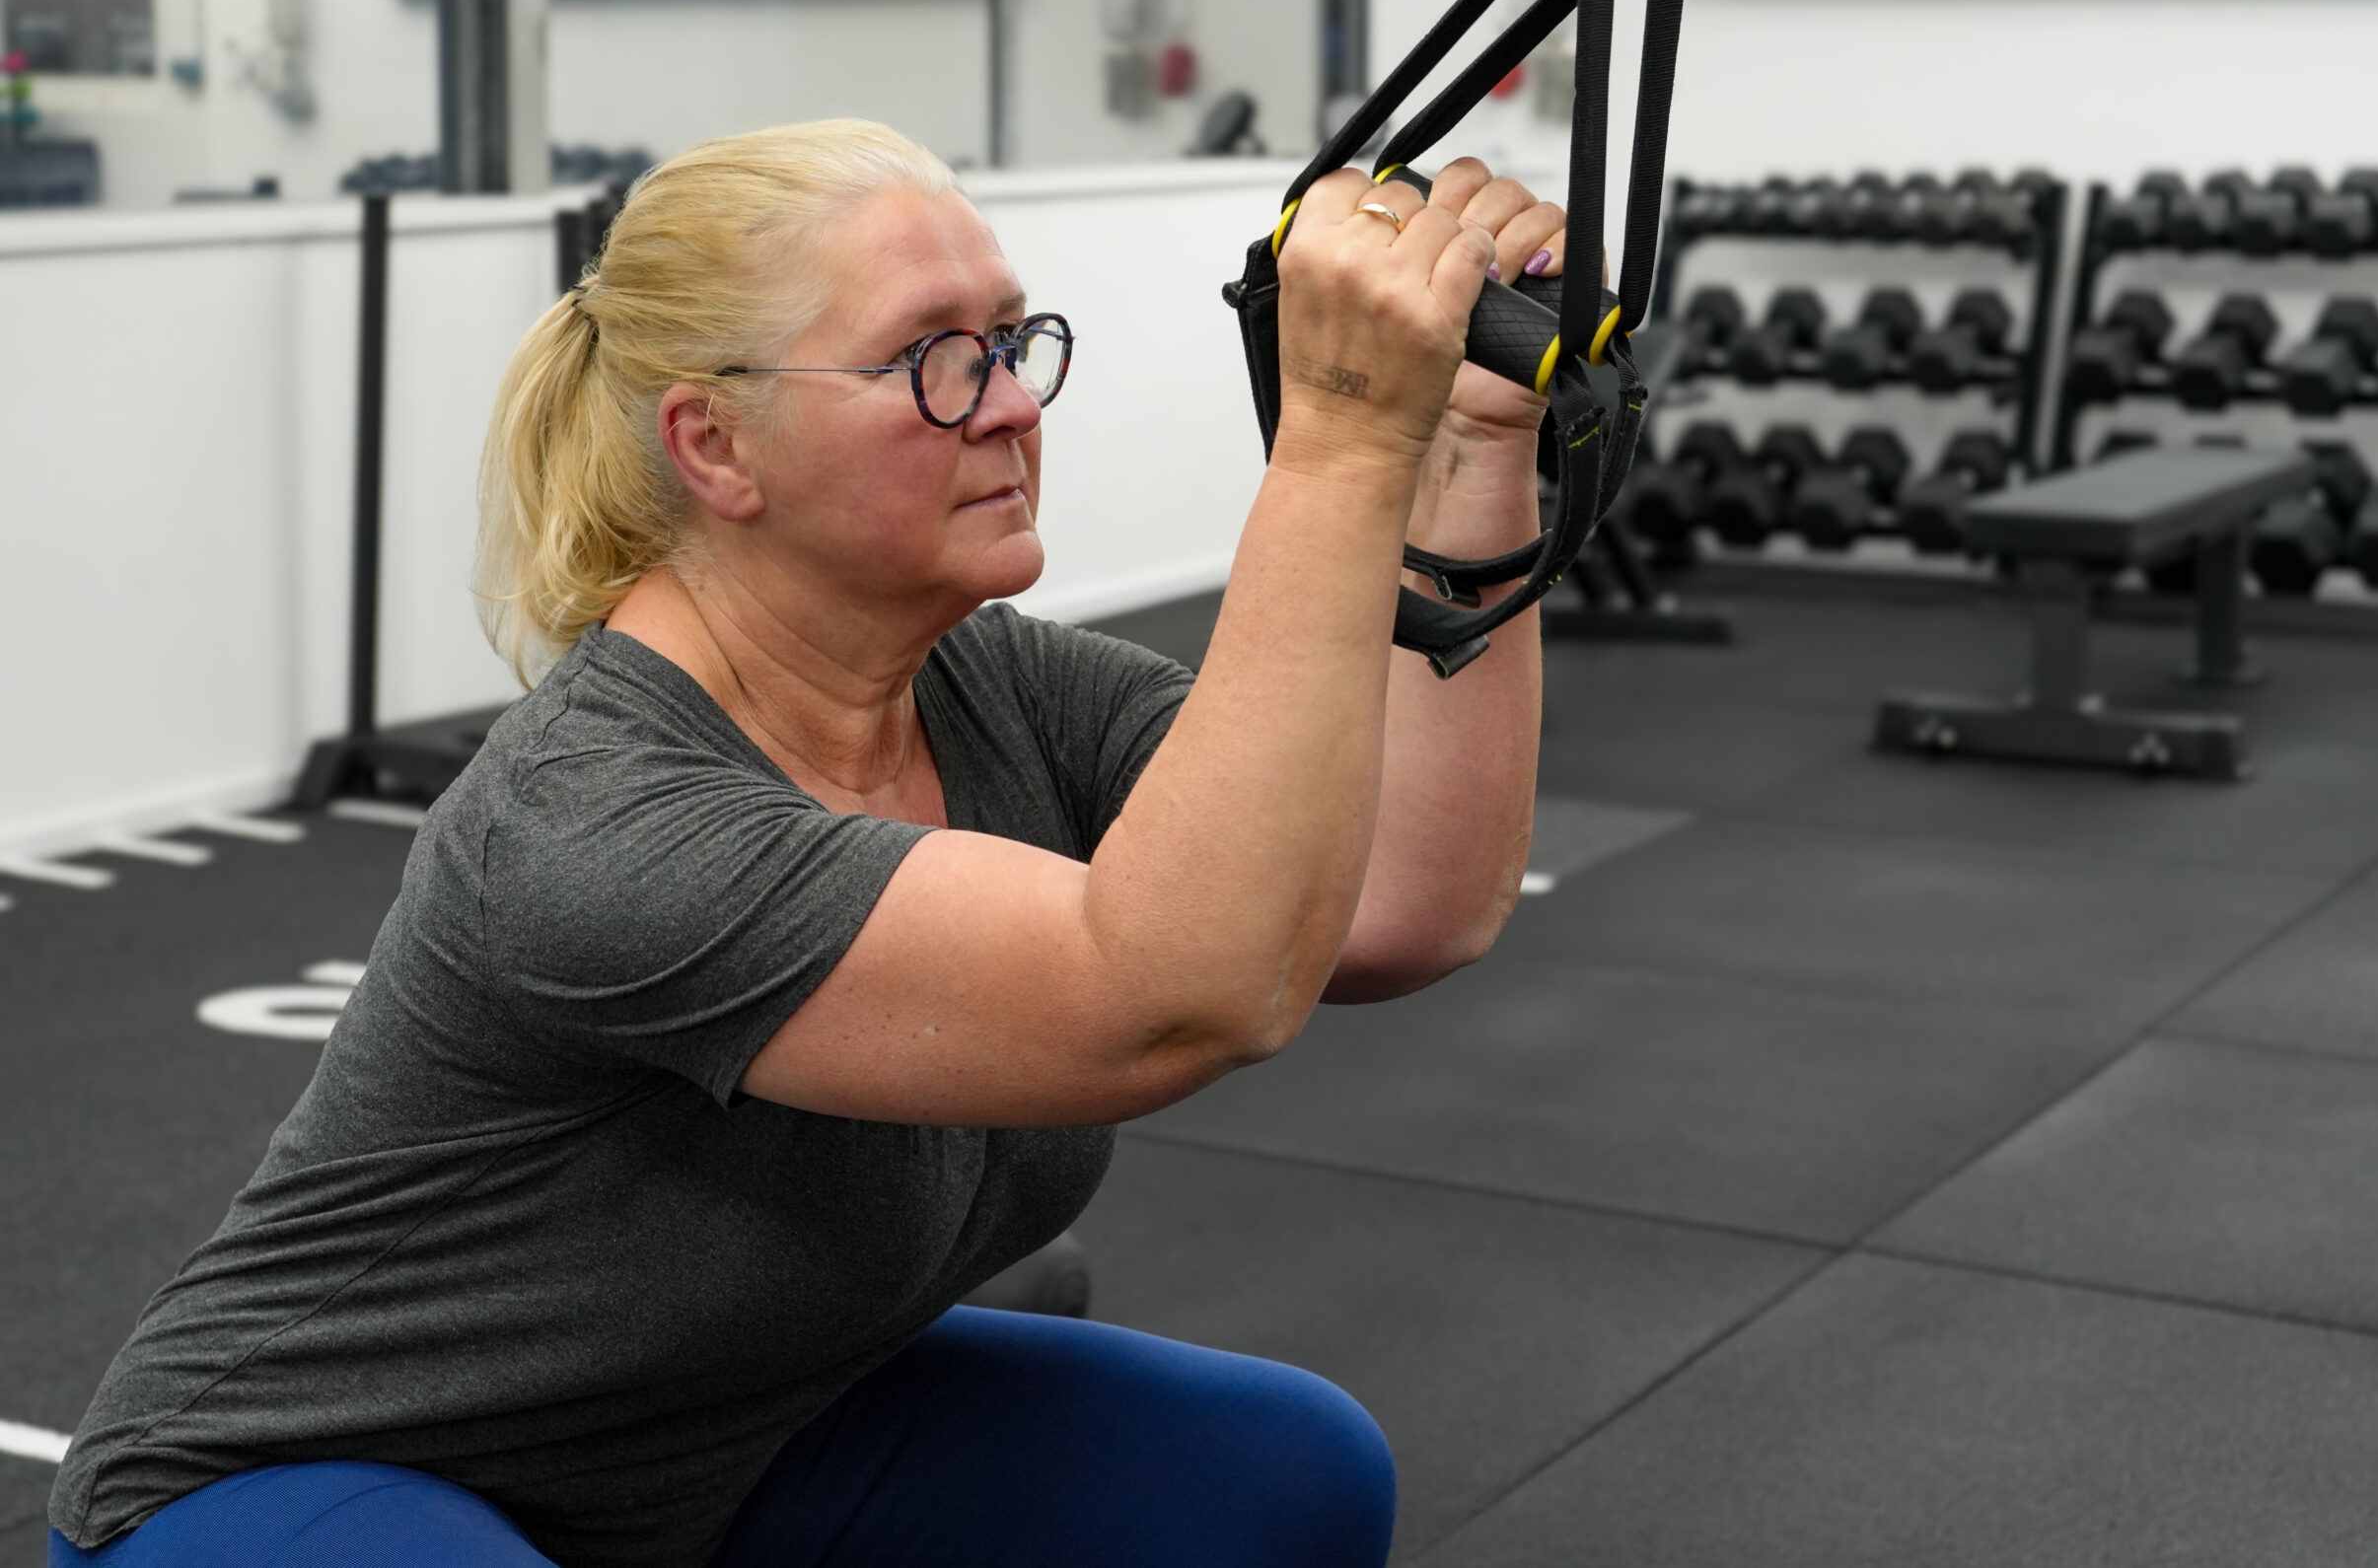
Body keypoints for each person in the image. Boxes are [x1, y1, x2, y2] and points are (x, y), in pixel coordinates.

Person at [49, 116, 1564, 1567]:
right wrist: (1343, 440)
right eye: (935, 360)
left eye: (1014, 340)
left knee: (1275, 1478)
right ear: (715, 446)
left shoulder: (997, 685)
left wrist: (1466, 452)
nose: (1016, 402)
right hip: (308, 1474)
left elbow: (1401, 900)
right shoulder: (594, 821)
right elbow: (1177, 990)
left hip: (706, 1445)